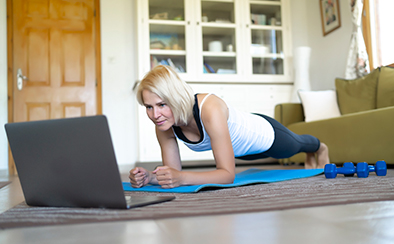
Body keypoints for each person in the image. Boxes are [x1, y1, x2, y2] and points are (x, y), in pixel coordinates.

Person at [129, 65, 329, 189]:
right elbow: (172, 173)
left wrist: (181, 178)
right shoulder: (164, 124)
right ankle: (312, 153)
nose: (155, 115)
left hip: (265, 135)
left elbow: (226, 175)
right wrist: (150, 178)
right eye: (149, 107)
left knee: (298, 144)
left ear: (175, 97)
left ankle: (320, 147)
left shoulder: (209, 108)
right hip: (240, 152)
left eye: (162, 104)